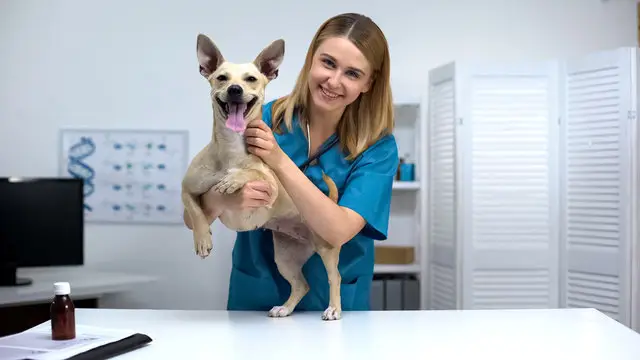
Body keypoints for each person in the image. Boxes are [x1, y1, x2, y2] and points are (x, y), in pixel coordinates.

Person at [187, 12, 399, 313]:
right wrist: (222, 197)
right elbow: (194, 217)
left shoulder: (378, 147)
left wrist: (278, 159)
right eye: (328, 62)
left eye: (352, 73)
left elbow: (338, 231)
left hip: (336, 302)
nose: (334, 81)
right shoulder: (257, 114)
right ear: (310, 59)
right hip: (258, 292)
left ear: (369, 82)